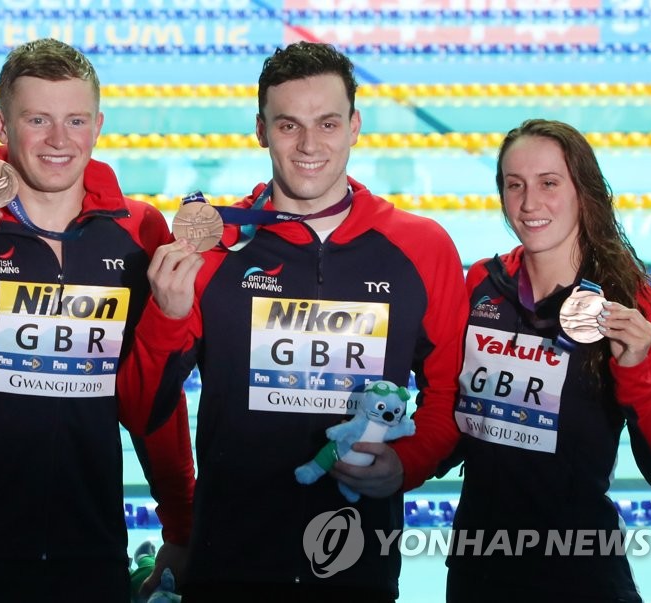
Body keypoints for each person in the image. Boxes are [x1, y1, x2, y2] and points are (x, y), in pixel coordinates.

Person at [119, 41, 468, 601]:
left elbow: (450, 390)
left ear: (354, 126)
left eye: (327, 123)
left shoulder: (420, 248)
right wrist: (165, 315)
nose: (310, 145)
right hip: (229, 561)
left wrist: (406, 464)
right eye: (288, 125)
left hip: (356, 564)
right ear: (261, 130)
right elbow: (140, 408)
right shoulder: (216, 251)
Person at [0, 38, 194, 601]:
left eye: (75, 120)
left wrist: (182, 521)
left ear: (98, 125)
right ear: (2, 124)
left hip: (89, 549)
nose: (58, 140)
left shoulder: (138, 232)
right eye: (37, 119)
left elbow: (150, 408)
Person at [446, 119, 651, 602]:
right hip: (478, 567)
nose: (530, 204)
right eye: (515, 185)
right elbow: (455, 424)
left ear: (582, 192)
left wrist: (633, 370)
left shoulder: (637, 305)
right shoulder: (483, 288)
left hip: (581, 570)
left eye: (549, 184)